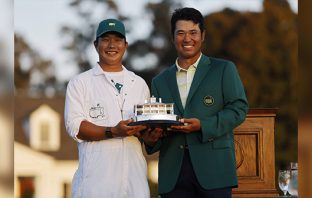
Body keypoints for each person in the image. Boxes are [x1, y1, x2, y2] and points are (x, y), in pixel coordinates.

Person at [142, 7, 249, 198]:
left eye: (193, 32)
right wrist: (150, 141)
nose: (187, 39)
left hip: (215, 170)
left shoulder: (223, 69)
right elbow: (157, 122)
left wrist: (203, 125)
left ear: (203, 35)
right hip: (173, 174)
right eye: (181, 33)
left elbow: (239, 109)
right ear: (173, 37)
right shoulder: (159, 81)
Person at [64, 18, 150, 198]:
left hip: (135, 184)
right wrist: (113, 131)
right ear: (96, 44)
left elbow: (146, 129)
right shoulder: (80, 83)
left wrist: (151, 134)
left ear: (125, 45)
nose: (112, 45)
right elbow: (76, 127)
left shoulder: (139, 84)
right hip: (95, 185)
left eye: (118, 39)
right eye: (106, 39)